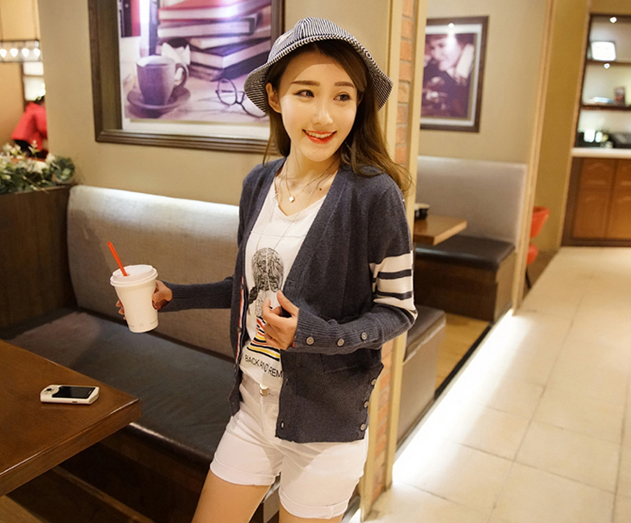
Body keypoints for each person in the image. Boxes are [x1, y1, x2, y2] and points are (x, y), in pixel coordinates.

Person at [117, 17, 417, 523]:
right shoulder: (258, 184)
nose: (324, 115)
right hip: (252, 408)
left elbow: (398, 310)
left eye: (343, 96)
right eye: (306, 92)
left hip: (325, 426)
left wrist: (313, 334)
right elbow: (250, 287)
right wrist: (175, 296)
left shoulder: (373, 194)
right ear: (276, 97)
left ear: (359, 104)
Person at [422, 33, 475, 118]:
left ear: (462, 42)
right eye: (432, 48)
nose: (435, 55)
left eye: (442, 45)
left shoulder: (476, 68)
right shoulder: (450, 70)